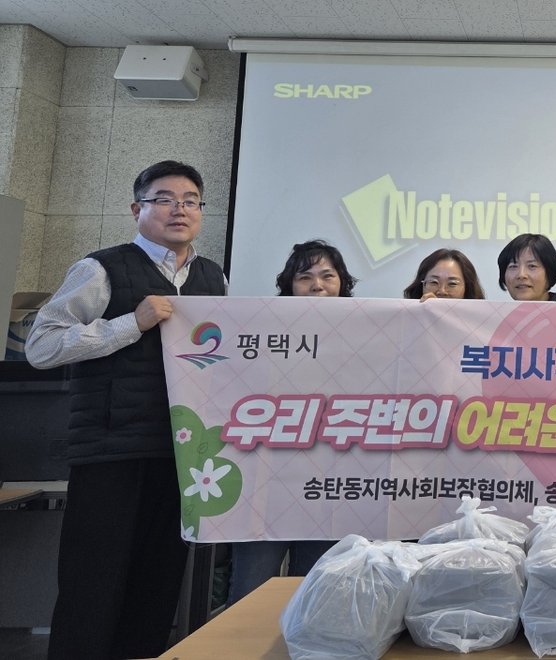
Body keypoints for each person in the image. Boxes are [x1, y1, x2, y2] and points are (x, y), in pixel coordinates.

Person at [25, 161, 227, 660]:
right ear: (137, 209)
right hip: (110, 449)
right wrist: (129, 324)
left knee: (156, 587)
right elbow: (41, 346)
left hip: (182, 453)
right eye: (164, 199)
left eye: (191, 200)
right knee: (93, 584)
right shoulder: (100, 268)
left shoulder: (212, 276)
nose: (179, 209)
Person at [227, 240, 355, 604]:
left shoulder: (363, 332)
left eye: (328, 276)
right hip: (265, 486)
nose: (317, 285)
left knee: (314, 596)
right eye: (305, 277)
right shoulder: (263, 330)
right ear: (289, 285)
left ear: (342, 283)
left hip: (330, 486)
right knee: (250, 594)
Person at [402, 248, 485, 300]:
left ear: (467, 288)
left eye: (452, 284)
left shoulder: (481, 321)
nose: (442, 291)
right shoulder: (406, 318)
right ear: (421, 286)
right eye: (434, 282)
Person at [497, 233, 556, 302]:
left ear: (550, 273)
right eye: (513, 266)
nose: (521, 275)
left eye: (532, 266)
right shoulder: (496, 309)